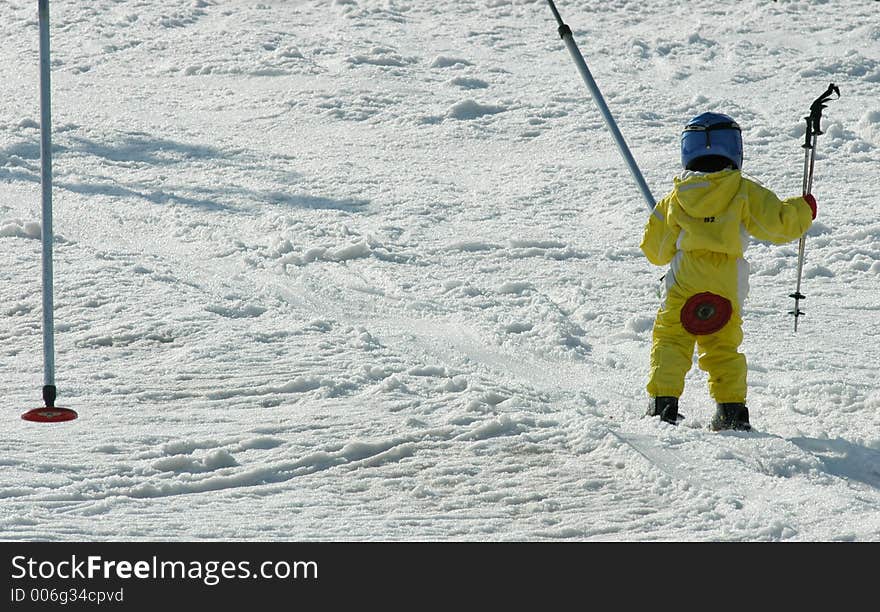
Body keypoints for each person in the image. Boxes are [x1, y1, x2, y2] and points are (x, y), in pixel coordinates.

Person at [640, 112, 817, 431]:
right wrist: (803, 210)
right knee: (722, 343)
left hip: (685, 281)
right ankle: (731, 409)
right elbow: (778, 223)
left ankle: (663, 403)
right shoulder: (743, 191)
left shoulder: (676, 199)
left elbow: (656, 251)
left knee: (671, 338)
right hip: (726, 283)